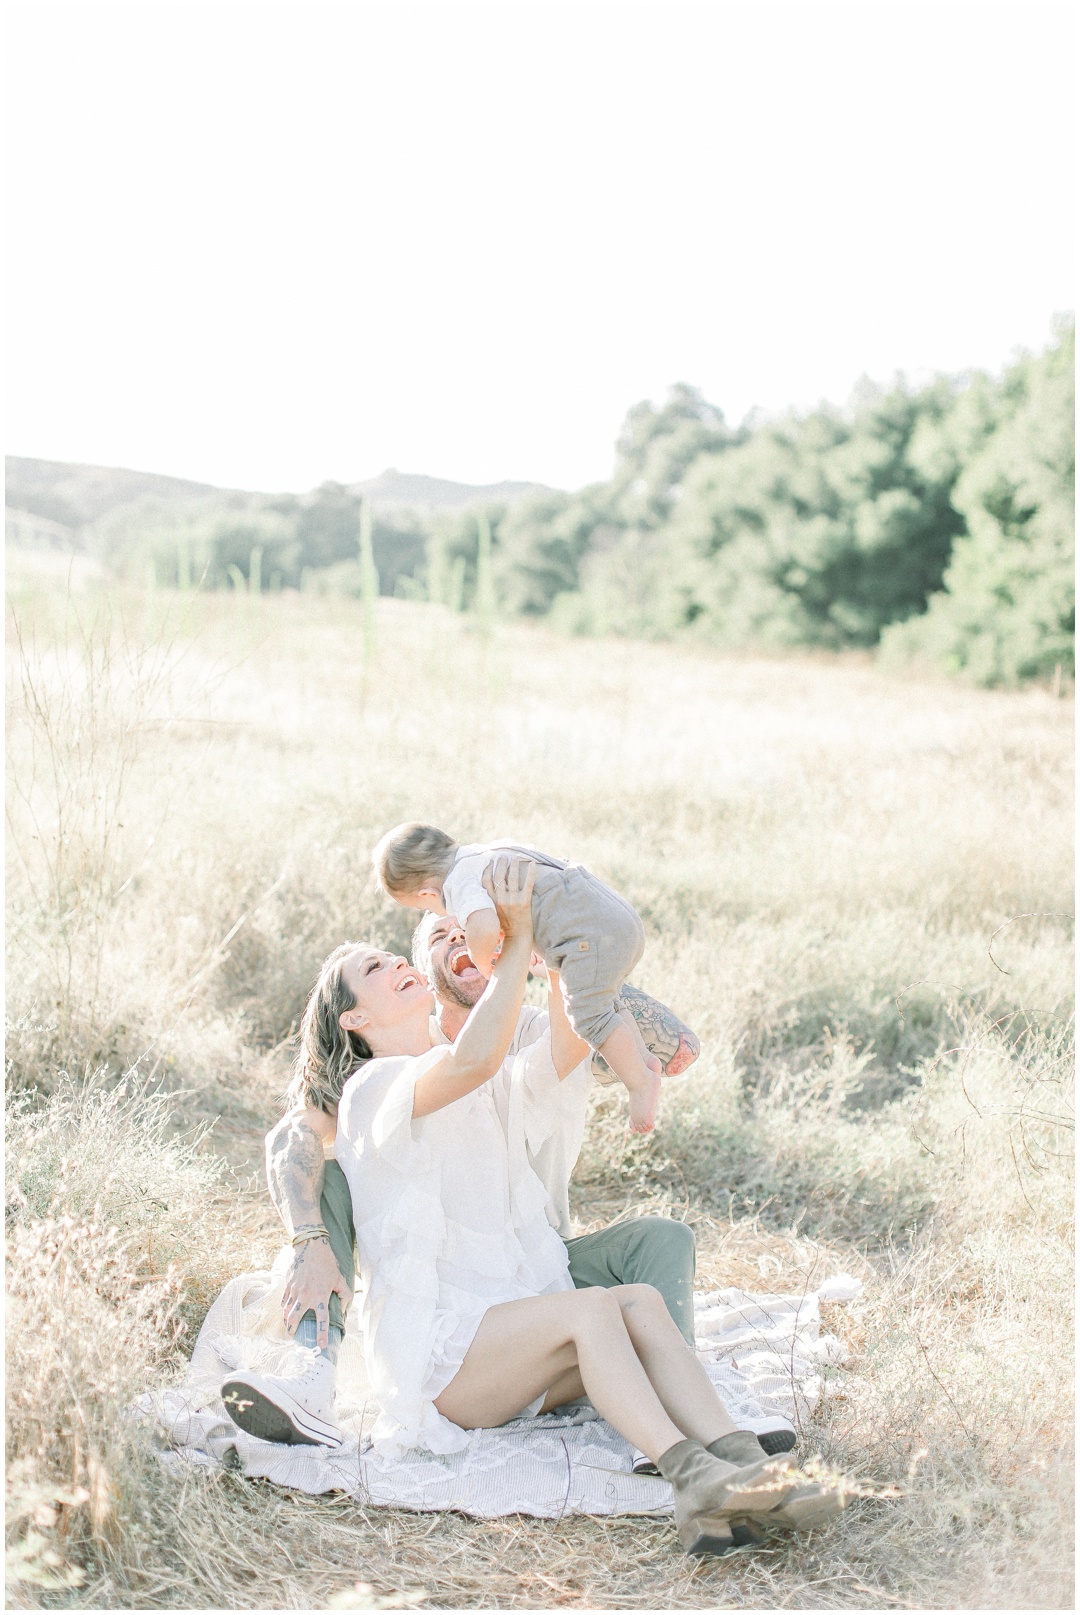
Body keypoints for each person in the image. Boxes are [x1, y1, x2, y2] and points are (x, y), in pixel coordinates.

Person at [224, 857, 841, 1556]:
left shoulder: (491, 1072)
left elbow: (561, 1039)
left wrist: (555, 936)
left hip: (511, 1339)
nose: (394, 961)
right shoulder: (375, 1089)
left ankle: (748, 1467)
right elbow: (472, 1062)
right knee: (592, 1306)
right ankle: (693, 1478)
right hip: (443, 1359)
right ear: (355, 1017)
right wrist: (512, 940)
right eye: (375, 967)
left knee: (636, 1299)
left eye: (395, 954)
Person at [372, 823, 663, 1132]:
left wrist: (486, 961)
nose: (457, 929)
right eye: (438, 935)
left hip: (589, 937)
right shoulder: (490, 852)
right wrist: (535, 941)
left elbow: (482, 927)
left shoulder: (460, 881)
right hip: (614, 915)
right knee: (607, 1003)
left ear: (428, 893)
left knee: (588, 1016)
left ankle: (640, 1083)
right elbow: (540, 896)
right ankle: (643, 1058)